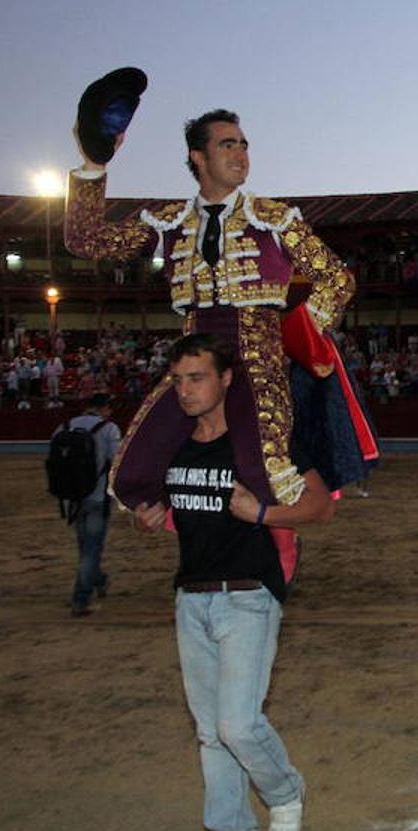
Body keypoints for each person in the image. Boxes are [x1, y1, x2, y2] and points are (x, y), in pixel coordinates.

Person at [65, 105, 377, 520]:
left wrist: (293, 336)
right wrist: (93, 163)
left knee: (268, 472)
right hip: (193, 357)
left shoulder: (275, 219)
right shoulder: (169, 221)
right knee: (132, 471)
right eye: (227, 144)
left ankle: (275, 553)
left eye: (244, 145)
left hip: (257, 358)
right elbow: (88, 239)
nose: (241, 154)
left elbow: (338, 280)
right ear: (199, 156)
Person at [132, 333, 334, 831]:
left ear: (225, 380)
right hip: (191, 597)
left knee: (237, 724)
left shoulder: (263, 443)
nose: (185, 389)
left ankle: (285, 791)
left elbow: (320, 506)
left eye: (196, 377)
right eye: (177, 380)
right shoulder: (173, 445)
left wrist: (264, 514)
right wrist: (148, 517)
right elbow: (177, 512)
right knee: (209, 732)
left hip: (248, 594)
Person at [57, 392, 121, 617]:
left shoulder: (65, 426)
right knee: (92, 548)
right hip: (97, 496)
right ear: (103, 408)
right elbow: (117, 462)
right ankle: (81, 598)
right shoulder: (109, 429)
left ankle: (98, 579)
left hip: (72, 497)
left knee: (86, 545)